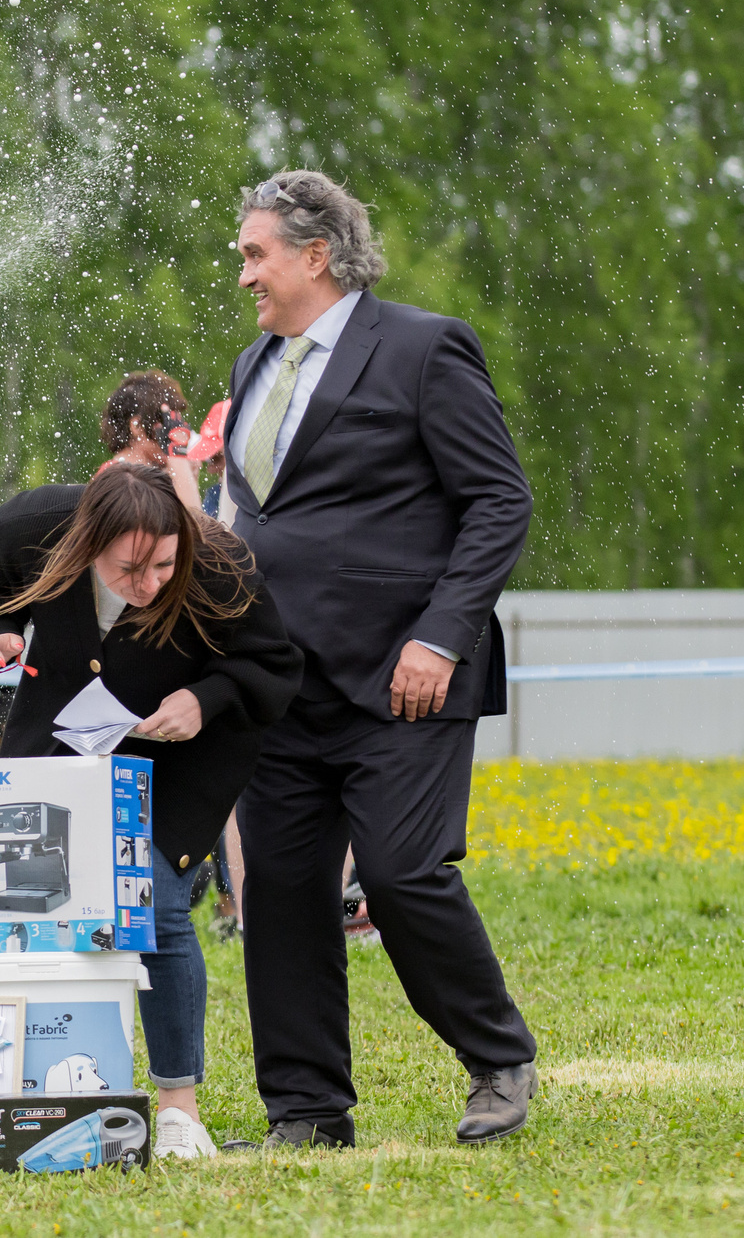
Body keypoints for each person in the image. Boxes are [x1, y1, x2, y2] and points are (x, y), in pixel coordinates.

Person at [220, 170, 538, 1149]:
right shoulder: (249, 367)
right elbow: (257, 517)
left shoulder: (421, 346)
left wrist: (440, 633)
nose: (242, 276)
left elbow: (498, 500)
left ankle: (496, 1056)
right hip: (279, 681)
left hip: (402, 677)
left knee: (401, 875)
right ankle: (307, 1110)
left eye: (254, 254)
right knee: (276, 888)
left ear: (315, 254)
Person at [0, 461, 302, 1161]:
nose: (148, 586)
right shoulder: (36, 527)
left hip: (178, 760)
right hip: (57, 745)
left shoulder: (219, 565)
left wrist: (204, 700)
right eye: (128, 570)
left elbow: (273, 663)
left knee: (159, 912)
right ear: (86, 544)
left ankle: (177, 1109)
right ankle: (32, 1088)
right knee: (29, 909)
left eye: (163, 568)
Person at [100, 370, 207, 516]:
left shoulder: (142, 477)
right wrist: (178, 459)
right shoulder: (120, 480)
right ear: (137, 426)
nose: (176, 433)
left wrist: (185, 479)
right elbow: (196, 526)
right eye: (168, 424)